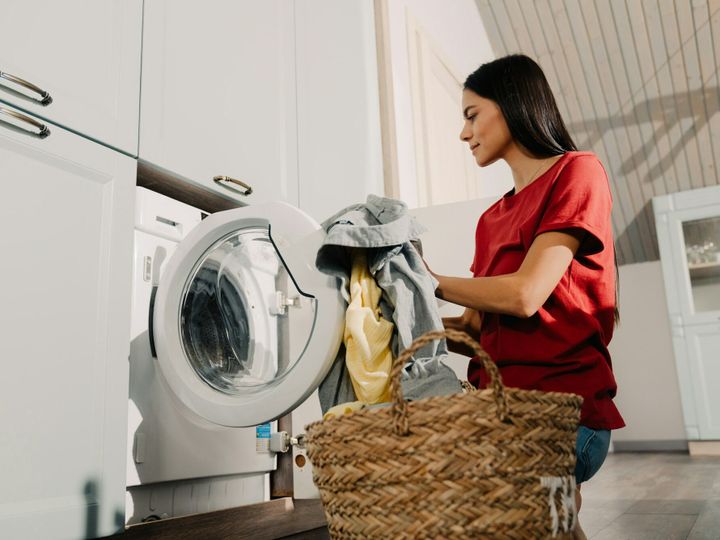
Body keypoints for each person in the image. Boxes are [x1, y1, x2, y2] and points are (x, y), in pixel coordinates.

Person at [426, 54, 625, 540]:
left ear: (512, 104)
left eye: (472, 114)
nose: (463, 132)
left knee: (527, 515)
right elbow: (473, 330)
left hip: (563, 416)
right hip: (502, 413)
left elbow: (527, 295)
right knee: (553, 524)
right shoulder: (489, 220)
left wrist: (427, 280)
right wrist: (399, 315)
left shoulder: (578, 172)